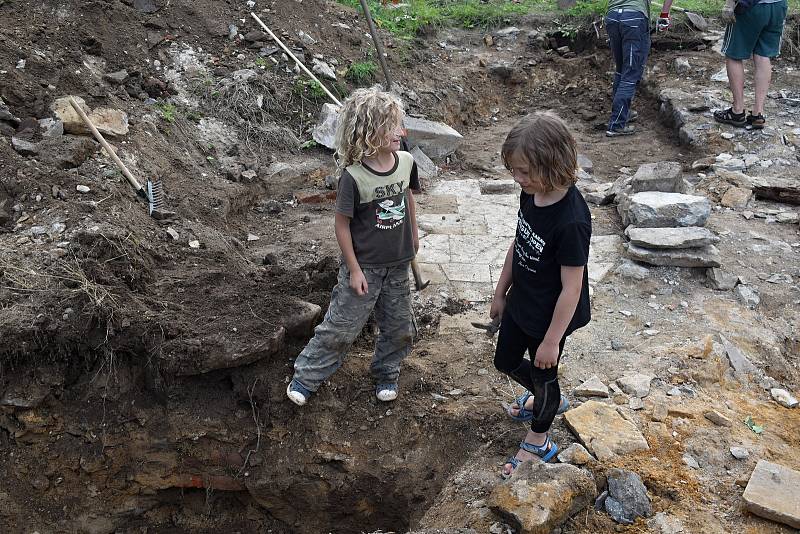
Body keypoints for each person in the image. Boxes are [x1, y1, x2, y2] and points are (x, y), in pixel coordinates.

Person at [286, 87, 420, 407]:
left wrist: (414, 234)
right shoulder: (354, 177)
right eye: (392, 126)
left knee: (400, 326)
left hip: (398, 264)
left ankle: (387, 372)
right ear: (369, 131)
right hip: (366, 268)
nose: (401, 132)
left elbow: (408, 197)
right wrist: (355, 270)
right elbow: (342, 224)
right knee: (342, 327)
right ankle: (306, 377)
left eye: (400, 124)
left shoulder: (406, 162)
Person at [490, 112, 592, 478]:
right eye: (514, 171)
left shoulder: (571, 221)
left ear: (554, 164)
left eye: (525, 172)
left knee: (544, 370)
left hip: (551, 315)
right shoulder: (531, 195)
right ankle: (548, 398)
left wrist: (551, 341)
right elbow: (519, 243)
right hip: (522, 299)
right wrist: (501, 291)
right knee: (504, 361)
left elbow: (572, 287)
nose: (518, 179)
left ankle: (540, 438)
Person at [714, 0, 788, 130]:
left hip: (751, 6)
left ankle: (737, 111)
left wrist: (730, 3)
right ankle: (758, 114)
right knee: (763, 54)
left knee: (734, 54)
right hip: (778, 5)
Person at [605, 0, 673, 136]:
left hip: (612, 17)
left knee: (620, 69)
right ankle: (617, 124)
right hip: (634, 19)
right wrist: (665, 14)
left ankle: (623, 113)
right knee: (630, 72)